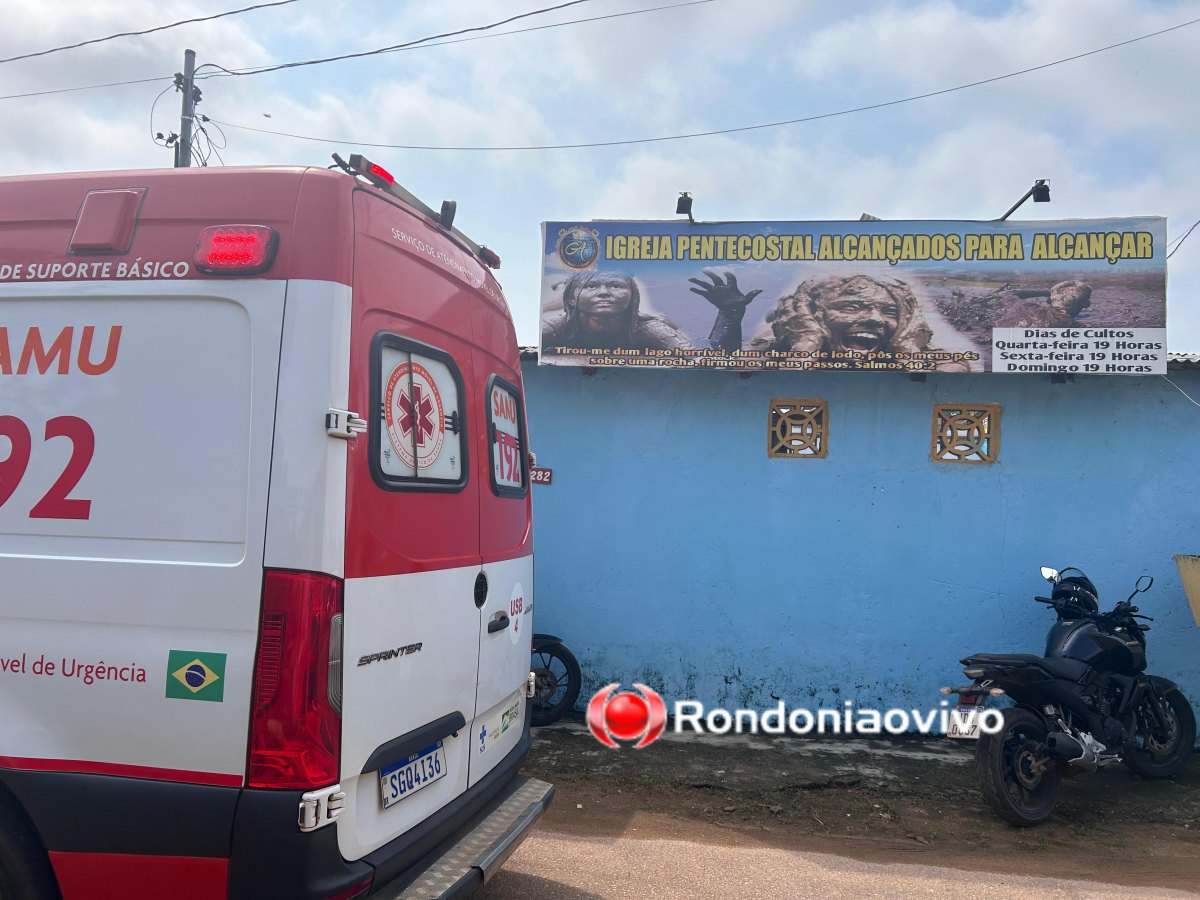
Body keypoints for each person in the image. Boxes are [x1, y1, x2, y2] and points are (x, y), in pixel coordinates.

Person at [541, 270, 761, 354]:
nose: (604, 292)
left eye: (615, 286)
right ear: (571, 297)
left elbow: (705, 360)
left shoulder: (648, 327)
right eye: (591, 286)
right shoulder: (557, 326)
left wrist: (730, 316)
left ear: (632, 297)